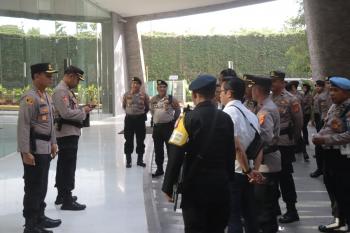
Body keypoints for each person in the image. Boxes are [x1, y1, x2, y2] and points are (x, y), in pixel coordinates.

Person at [162, 74, 235, 233]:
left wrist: (168, 186)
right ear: (213, 94)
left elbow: (175, 155)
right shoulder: (226, 119)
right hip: (220, 186)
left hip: (195, 187)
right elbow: (231, 154)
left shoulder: (186, 120)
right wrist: (229, 181)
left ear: (195, 95)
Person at [17, 63, 61, 233]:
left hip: (45, 148)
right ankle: (30, 224)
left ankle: (40, 218)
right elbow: (24, 126)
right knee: (33, 187)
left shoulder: (47, 96)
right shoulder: (30, 97)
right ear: (36, 76)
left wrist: (54, 142)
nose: (51, 78)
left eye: (52, 75)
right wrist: (25, 151)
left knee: (42, 185)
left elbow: (50, 124)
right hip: (33, 150)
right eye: (47, 75)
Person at [220, 76, 260, 233]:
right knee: (250, 215)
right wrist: (253, 171)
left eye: (222, 91)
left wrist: (247, 170)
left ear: (229, 93)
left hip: (235, 172)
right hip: (248, 172)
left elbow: (236, 147)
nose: (220, 95)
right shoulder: (251, 114)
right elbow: (259, 146)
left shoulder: (228, 113)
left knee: (233, 217)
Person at [312, 76, 350, 232]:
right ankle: (339, 220)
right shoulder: (335, 106)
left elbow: (348, 135)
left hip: (343, 157)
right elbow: (328, 124)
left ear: (347, 92)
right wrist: (318, 136)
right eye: (331, 90)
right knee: (332, 187)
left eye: (335, 90)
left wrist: (325, 140)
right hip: (330, 156)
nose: (332, 94)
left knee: (345, 190)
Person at [52, 66, 92, 211]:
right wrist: (83, 111)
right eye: (77, 79)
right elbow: (66, 113)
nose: (77, 82)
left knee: (64, 165)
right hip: (66, 133)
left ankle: (62, 195)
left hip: (70, 132)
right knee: (68, 166)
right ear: (70, 75)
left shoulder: (66, 90)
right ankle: (67, 199)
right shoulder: (61, 91)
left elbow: (69, 109)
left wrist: (82, 108)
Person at [245, 74, 281, 233]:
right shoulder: (263, 106)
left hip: (266, 162)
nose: (250, 90)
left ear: (257, 89)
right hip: (267, 161)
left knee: (264, 205)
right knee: (265, 204)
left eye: (252, 87)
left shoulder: (265, 110)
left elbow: (265, 139)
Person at [270, 70, 303, 223]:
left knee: (285, 177)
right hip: (270, 144)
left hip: (284, 142)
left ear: (282, 83)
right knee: (271, 176)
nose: (272, 83)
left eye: (275, 80)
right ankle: (274, 206)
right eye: (271, 80)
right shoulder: (267, 98)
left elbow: (298, 123)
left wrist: (294, 139)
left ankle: (291, 209)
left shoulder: (291, 99)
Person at [150, 80, 180, 177]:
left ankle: (171, 170)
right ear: (157, 88)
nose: (162, 88)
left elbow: (178, 109)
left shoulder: (171, 98)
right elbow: (152, 111)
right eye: (160, 87)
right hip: (157, 128)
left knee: (170, 149)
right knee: (158, 150)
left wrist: (174, 120)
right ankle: (159, 169)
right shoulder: (153, 99)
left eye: (164, 87)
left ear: (166, 88)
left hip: (168, 127)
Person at [122, 77, 150, 168]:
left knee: (140, 140)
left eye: (137, 83)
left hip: (140, 119)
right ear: (131, 84)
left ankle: (140, 160)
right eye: (133, 83)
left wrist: (140, 114)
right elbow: (124, 106)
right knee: (128, 140)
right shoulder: (126, 94)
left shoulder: (144, 95)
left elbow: (147, 107)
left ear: (140, 85)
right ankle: (128, 161)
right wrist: (131, 112)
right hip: (129, 119)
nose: (135, 85)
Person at [310, 80, 332, 178]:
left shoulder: (332, 96)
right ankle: (320, 169)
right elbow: (317, 110)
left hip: (332, 123)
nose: (329, 85)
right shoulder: (319, 96)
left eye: (330, 83)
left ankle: (326, 169)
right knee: (320, 147)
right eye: (328, 83)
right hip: (324, 121)